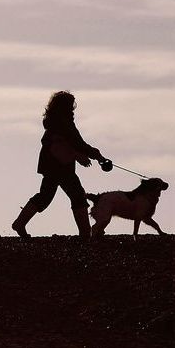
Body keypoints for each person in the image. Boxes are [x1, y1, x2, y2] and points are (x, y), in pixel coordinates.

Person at [12, 91, 109, 238]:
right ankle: (85, 234)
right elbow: (76, 143)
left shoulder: (55, 123)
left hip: (52, 165)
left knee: (45, 196)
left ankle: (20, 223)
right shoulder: (63, 123)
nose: (73, 108)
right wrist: (94, 155)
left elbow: (72, 144)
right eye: (70, 105)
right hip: (61, 165)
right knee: (77, 196)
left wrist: (94, 155)